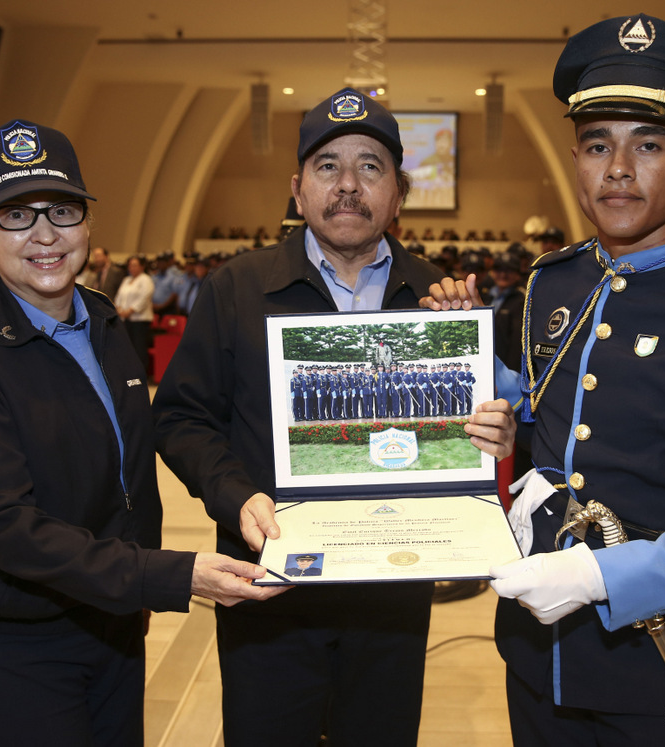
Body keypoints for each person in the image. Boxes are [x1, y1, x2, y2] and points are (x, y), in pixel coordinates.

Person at [421, 14, 665, 745]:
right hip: (536, 650)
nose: (619, 169)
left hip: (661, 663)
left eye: (650, 144)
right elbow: (552, 419)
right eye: (599, 145)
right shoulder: (553, 281)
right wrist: (486, 392)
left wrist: (603, 578)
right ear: (576, 157)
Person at [151, 88, 515, 747]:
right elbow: (181, 418)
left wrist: (493, 428)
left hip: (393, 592)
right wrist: (236, 497)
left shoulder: (437, 296)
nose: (348, 184)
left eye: (370, 167)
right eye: (327, 166)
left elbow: (472, 431)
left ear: (399, 193)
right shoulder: (238, 288)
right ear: (298, 190)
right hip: (271, 588)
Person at [0, 119, 284, 745]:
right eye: (15, 216)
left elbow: (129, 473)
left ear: (87, 223)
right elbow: (0, 522)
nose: (44, 235)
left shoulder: (104, 323)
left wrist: (137, 589)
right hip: (14, 643)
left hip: (113, 623)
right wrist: (166, 575)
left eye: (62, 211)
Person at [114, 255, 155, 374]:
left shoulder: (146, 279)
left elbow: (144, 298)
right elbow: (119, 297)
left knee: (139, 347)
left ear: (142, 266)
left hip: (140, 319)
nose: (131, 268)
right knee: (127, 347)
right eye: (130, 265)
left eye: (135, 265)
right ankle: (128, 372)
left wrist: (130, 310)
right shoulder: (126, 279)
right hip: (125, 318)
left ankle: (141, 373)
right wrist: (119, 309)